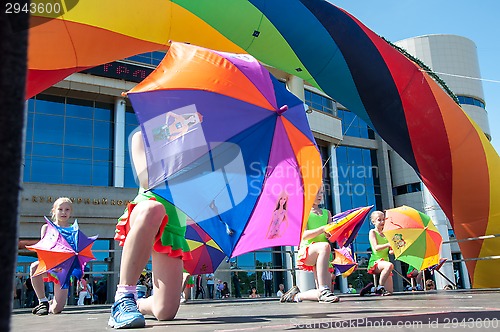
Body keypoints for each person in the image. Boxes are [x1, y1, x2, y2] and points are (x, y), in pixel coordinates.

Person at [108, 131, 192, 329]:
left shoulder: (196, 142)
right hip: (147, 209)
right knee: (155, 210)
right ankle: (124, 297)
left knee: (165, 311)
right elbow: (147, 180)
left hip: (174, 224)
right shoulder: (143, 136)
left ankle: (138, 303)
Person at [281, 186, 339, 303]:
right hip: (308, 250)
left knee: (327, 294)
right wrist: (323, 229)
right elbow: (304, 235)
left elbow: (331, 238)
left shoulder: (327, 213)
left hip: (324, 255)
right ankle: (323, 288)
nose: (319, 195)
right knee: (324, 246)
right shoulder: (303, 212)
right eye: (316, 193)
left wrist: (334, 233)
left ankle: (296, 296)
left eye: (321, 193)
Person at [30, 197, 75, 315]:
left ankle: (51, 304)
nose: (64, 212)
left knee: (56, 310)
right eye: (60, 209)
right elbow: (43, 250)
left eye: (67, 209)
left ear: (71, 212)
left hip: (63, 271)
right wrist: (52, 264)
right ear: (54, 211)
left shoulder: (73, 230)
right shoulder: (47, 228)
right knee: (34, 267)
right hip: (49, 266)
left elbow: (75, 253)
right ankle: (42, 301)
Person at [363, 211, 394, 296]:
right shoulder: (372, 232)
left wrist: (394, 249)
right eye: (379, 220)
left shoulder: (387, 234)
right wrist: (388, 244)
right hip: (376, 261)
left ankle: (372, 288)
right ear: (373, 222)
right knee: (389, 265)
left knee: (390, 292)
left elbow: (390, 251)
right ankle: (380, 286)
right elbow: (376, 248)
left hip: (385, 261)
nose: (382, 222)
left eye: (384, 219)